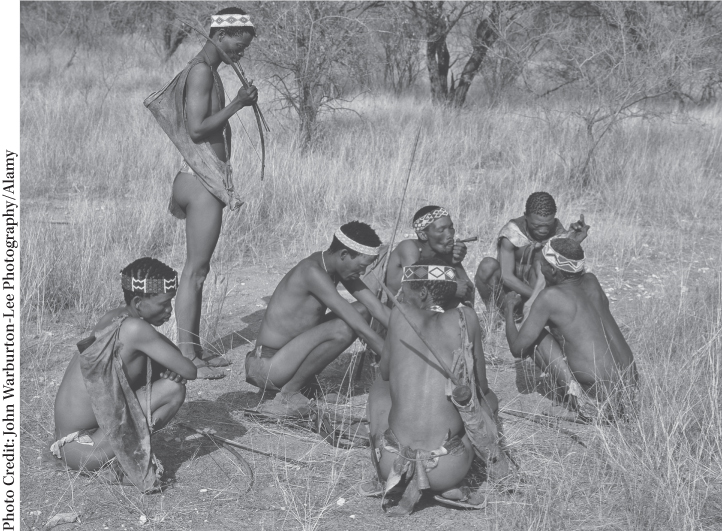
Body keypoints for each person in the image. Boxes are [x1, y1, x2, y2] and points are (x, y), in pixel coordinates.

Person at [145, 7, 259, 378]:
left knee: (199, 269)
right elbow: (196, 130)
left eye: (244, 49)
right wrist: (238, 105)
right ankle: (187, 357)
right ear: (219, 36)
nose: (239, 53)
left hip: (199, 178)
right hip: (200, 181)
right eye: (237, 46)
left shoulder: (210, 70)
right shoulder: (199, 72)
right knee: (194, 271)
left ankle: (194, 350)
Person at [364, 258, 511, 515]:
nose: (400, 295)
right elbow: (481, 385)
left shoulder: (399, 314)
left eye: (404, 290)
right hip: (447, 467)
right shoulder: (467, 317)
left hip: (392, 461)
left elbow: (386, 373)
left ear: (422, 292)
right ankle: (448, 486)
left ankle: (387, 475)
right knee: (487, 402)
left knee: (379, 386)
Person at [50, 258, 197, 492]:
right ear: (138, 302)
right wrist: (171, 370)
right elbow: (189, 370)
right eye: (164, 303)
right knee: (173, 389)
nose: (169, 310)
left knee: (160, 374)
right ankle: (119, 462)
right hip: (84, 449)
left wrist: (166, 366)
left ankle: (115, 457)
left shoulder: (114, 317)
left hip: (70, 445)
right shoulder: (136, 329)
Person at [245, 221, 391, 417]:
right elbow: (358, 326)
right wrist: (394, 358)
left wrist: (413, 338)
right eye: (361, 266)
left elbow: (376, 308)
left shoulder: (338, 268)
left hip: (287, 357)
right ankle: (289, 393)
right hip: (267, 366)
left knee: (362, 309)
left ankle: (305, 386)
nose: (362, 273)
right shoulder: (312, 271)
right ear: (344, 255)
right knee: (345, 328)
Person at [504, 238, 638, 421]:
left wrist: (509, 310)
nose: (540, 269)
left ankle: (577, 403)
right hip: (630, 396)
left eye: (542, 265)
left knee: (535, 338)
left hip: (600, 404)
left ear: (552, 270)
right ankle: (578, 395)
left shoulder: (551, 297)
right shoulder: (591, 282)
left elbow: (517, 349)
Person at [475, 192, 589, 311]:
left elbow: (567, 277)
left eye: (547, 225)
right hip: (510, 298)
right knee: (487, 266)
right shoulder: (512, 233)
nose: (543, 230)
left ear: (554, 217)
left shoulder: (560, 235)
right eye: (537, 225)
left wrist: (572, 242)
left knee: (542, 265)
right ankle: (494, 314)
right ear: (526, 217)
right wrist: (537, 297)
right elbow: (506, 276)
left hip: (540, 305)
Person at [366, 206, 474, 311]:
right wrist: (452, 285)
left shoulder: (443, 254)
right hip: (396, 315)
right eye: (441, 230)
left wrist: (455, 263)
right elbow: (415, 281)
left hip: (425, 318)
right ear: (423, 235)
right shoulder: (408, 247)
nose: (450, 235)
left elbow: (468, 291)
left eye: (451, 228)